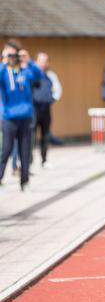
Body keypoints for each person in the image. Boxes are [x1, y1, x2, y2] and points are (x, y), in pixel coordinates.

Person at [0, 42, 43, 191]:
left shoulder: (24, 71)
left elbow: (39, 75)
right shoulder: (4, 71)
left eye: (14, 55)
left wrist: (29, 60)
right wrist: (3, 61)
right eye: (9, 55)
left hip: (25, 116)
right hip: (9, 117)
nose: (13, 58)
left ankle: (24, 182)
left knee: (25, 151)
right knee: (6, 149)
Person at [32, 52, 62, 168]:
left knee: (45, 135)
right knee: (31, 136)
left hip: (46, 109)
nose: (43, 64)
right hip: (34, 109)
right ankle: (28, 161)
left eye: (45, 61)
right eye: (40, 61)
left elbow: (58, 89)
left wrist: (52, 100)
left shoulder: (50, 75)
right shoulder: (31, 75)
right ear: (36, 62)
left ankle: (44, 160)